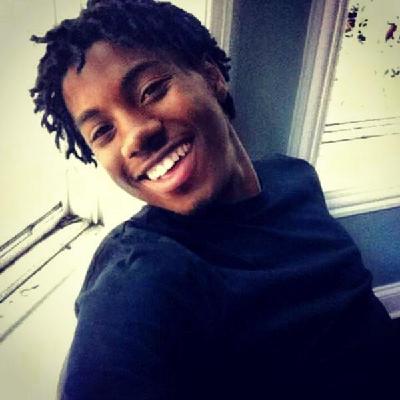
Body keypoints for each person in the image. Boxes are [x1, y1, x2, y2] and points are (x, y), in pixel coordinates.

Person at [31, 1, 398, 399]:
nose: (135, 136)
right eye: (103, 132)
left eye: (152, 90)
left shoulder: (293, 177)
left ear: (212, 75)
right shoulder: (142, 276)